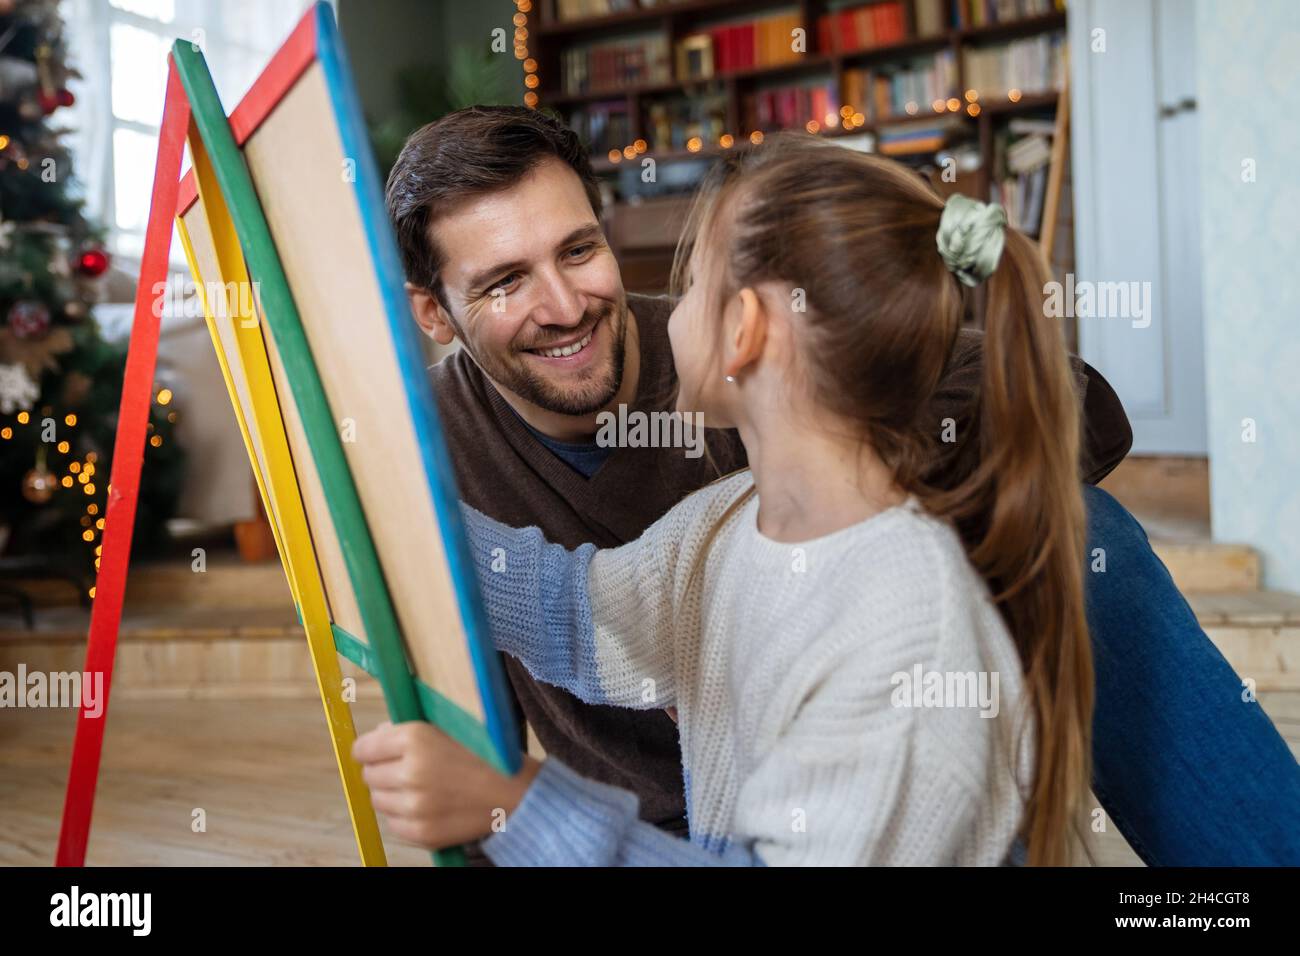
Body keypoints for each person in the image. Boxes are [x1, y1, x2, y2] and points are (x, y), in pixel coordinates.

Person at [353, 107, 1300, 865]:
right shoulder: (687, 518)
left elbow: (1066, 398)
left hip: (866, 790)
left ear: (747, 332)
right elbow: (559, 608)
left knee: (1089, 538)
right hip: (669, 820)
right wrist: (371, 508)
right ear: (435, 313)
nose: (567, 307)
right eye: (504, 282)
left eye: (579, 250)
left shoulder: (778, 387)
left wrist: (875, 505)